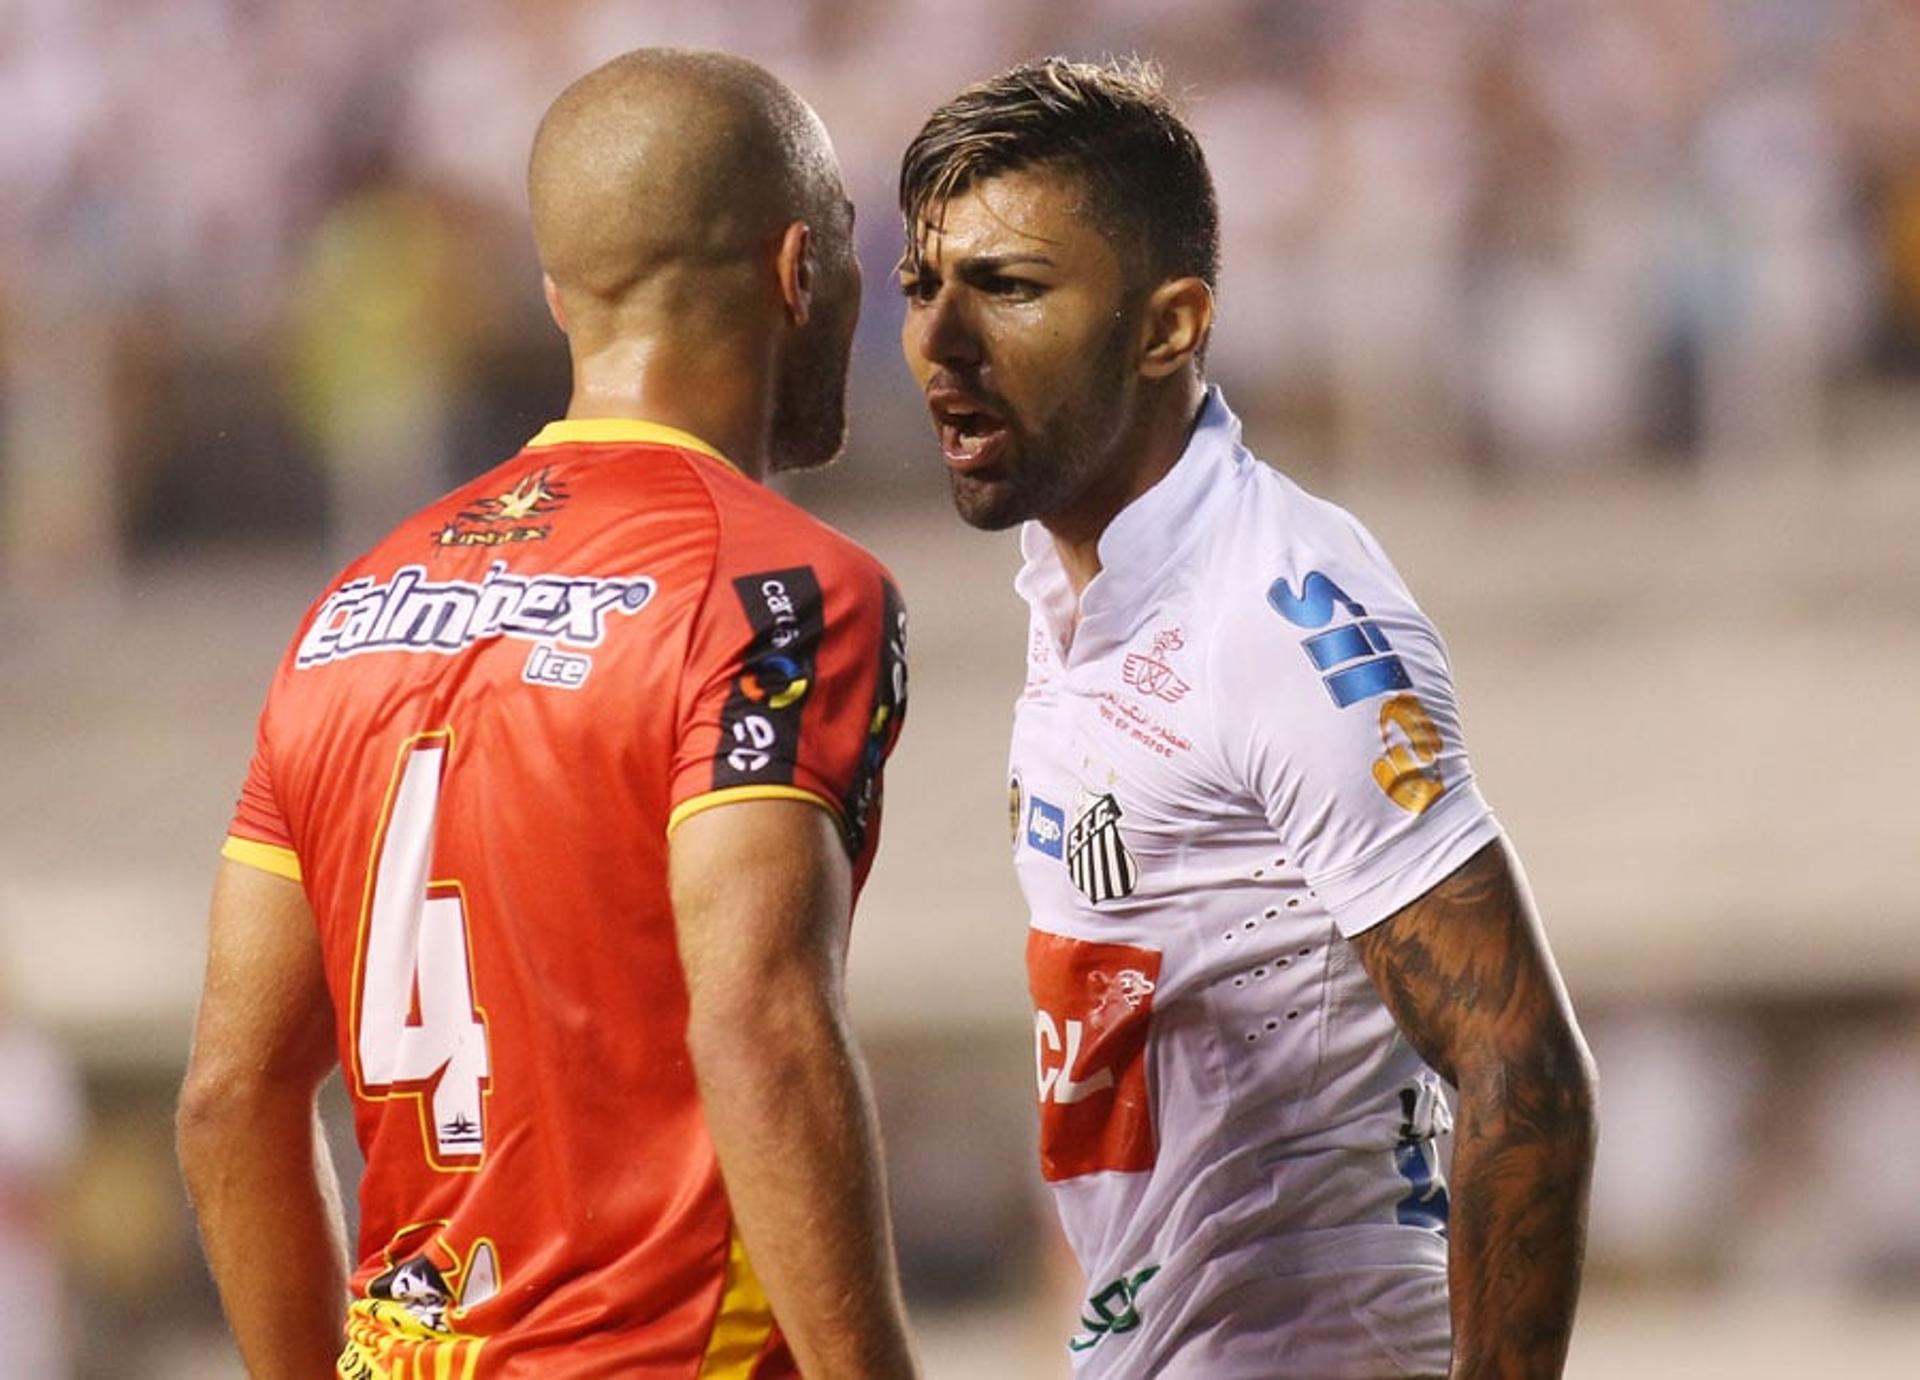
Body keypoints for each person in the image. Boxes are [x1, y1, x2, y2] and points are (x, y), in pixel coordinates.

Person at [177, 49, 919, 1380]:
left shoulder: (346, 610)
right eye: (859, 251)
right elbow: (759, 1021)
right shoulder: (781, 589)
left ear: (558, 298)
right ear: (799, 269)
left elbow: (232, 1096)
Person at [897, 58, 1596, 1380]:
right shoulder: (1079, 591)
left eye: (1010, 286)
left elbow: (1525, 1067)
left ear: (1168, 328)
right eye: (922, 286)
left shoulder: (1273, 613)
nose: (942, 342)